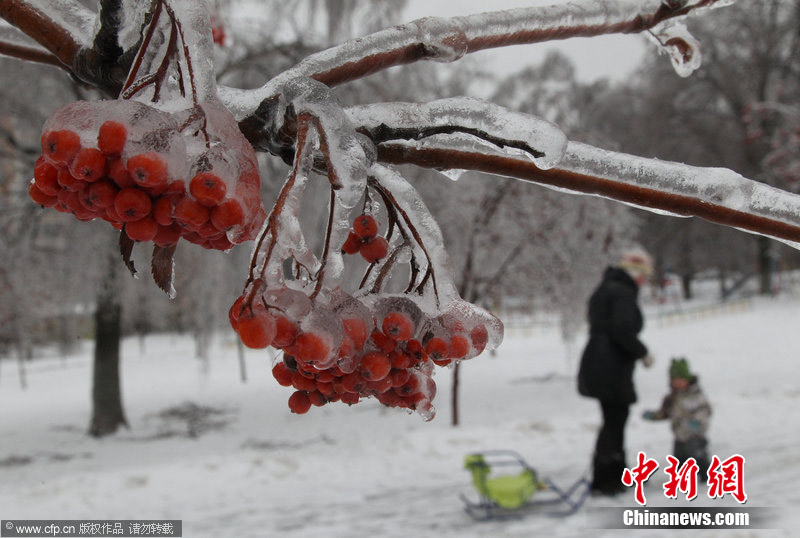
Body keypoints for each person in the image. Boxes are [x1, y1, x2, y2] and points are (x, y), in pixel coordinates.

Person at [577, 248, 654, 496]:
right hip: (610, 364)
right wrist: (643, 352)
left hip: (600, 360)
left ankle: (613, 474)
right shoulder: (622, 292)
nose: (645, 281)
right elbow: (622, 330)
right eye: (644, 275)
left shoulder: (607, 287)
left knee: (613, 419)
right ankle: (607, 479)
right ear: (635, 273)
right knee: (614, 421)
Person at [643, 357, 712, 472]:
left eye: (681, 380)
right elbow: (665, 412)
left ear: (687, 379)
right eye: (675, 381)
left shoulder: (695, 394)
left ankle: (707, 474)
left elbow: (704, 410)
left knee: (698, 457)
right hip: (679, 434)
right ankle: (682, 476)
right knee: (679, 460)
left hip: (695, 435)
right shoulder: (671, 398)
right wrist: (654, 416)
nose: (677, 383)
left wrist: (697, 421)